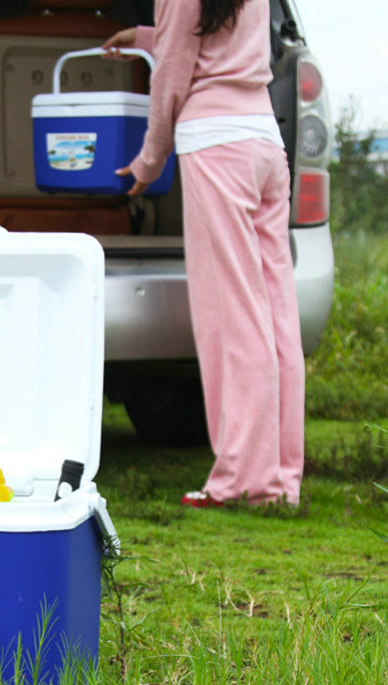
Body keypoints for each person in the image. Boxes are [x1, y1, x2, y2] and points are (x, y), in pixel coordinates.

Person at [102, 0, 305, 508]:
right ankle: (280, 480)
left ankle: (240, 479)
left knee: (231, 317)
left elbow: (173, 76)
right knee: (276, 316)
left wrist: (149, 162)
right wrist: (148, 36)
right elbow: (218, 41)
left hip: (214, 144)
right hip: (263, 141)